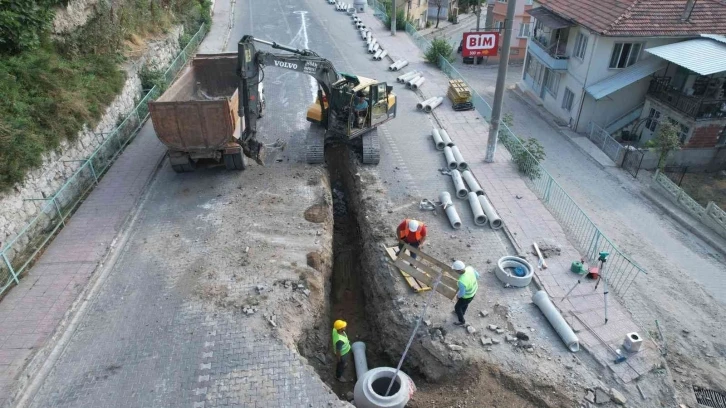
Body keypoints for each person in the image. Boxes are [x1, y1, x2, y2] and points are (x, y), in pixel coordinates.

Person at [452, 260, 480, 326]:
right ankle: (462, 312)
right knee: (465, 304)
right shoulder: (470, 268)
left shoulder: (461, 281)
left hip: (467, 296)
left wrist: (458, 296)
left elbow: (462, 293)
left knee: (457, 307)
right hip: (473, 292)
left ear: (458, 271)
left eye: (455, 270)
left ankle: (462, 321)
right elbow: (478, 276)